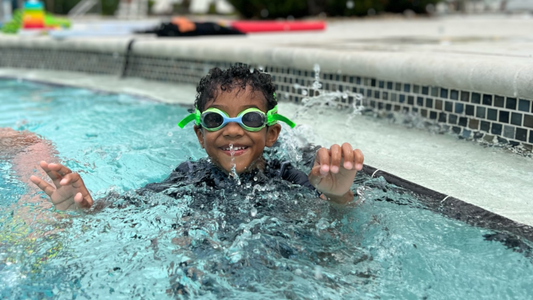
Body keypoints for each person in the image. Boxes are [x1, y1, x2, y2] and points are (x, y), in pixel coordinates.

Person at [30, 65, 364, 210]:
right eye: (216, 119)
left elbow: (332, 222)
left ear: (272, 133)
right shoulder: (188, 176)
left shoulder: (290, 178)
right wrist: (87, 206)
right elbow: (130, 204)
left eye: (249, 119)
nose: (232, 130)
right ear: (200, 135)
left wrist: (339, 196)